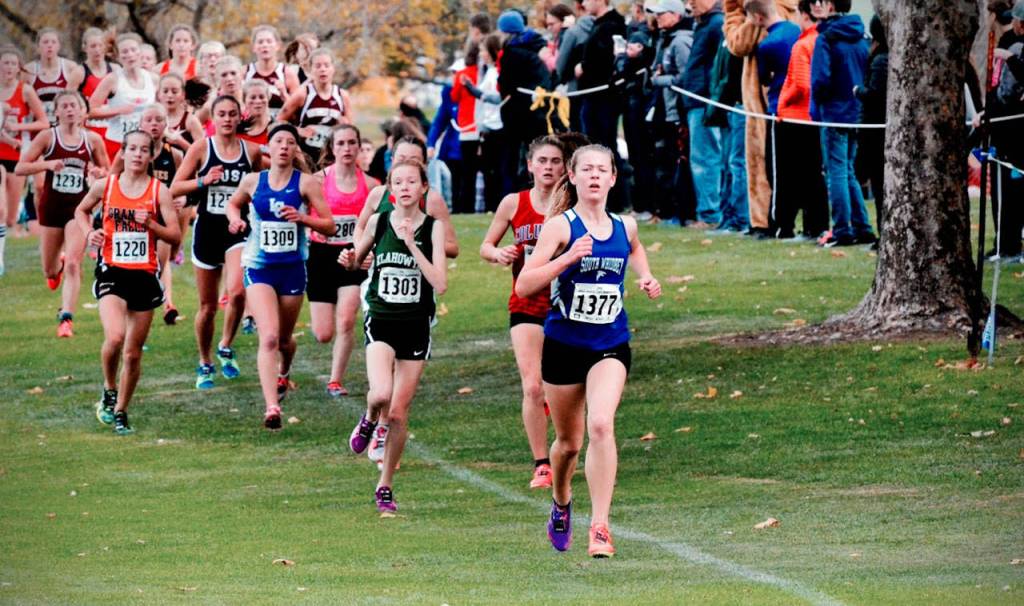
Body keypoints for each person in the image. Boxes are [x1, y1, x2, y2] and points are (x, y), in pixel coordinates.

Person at [515, 144, 661, 558]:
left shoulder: (625, 225)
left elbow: (633, 248)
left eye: (603, 170)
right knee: (569, 444)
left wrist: (646, 277)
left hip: (610, 343)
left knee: (600, 425)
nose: (596, 176)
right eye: (588, 170)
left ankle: (600, 526)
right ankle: (561, 502)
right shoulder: (560, 228)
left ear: (614, 178)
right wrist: (566, 260)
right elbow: (525, 285)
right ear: (574, 177)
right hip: (563, 345)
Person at [341, 160, 448, 516]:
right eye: (397, 182)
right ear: (390, 189)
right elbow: (357, 261)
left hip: (415, 325)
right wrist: (350, 259)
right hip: (381, 319)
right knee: (382, 394)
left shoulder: (432, 229)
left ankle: (384, 485)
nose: (404, 187)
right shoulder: (379, 221)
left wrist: (411, 245)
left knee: (400, 414)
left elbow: (440, 283)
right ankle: (370, 416)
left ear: (423, 189)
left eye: (411, 181)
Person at [225, 123, 334, 428]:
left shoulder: (307, 184)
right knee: (269, 336)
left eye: (290, 142)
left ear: (296, 149)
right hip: (259, 267)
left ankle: (284, 370)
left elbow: (330, 225)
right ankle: (272, 407)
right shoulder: (252, 181)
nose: (284, 146)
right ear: (268, 148)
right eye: (278, 141)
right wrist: (235, 220)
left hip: (292, 270)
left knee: (284, 340)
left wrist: (303, 218)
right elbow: (232, 205)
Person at [75, 129, 181, 434]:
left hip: (145, 275)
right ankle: (109, 388)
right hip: (112, 270)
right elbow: (81, 211)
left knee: (133, 352)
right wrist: (88, 233)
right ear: (123, 152)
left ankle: (121, 409)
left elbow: (173, 235)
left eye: (143, 150)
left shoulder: (158, 191)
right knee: (116, 337)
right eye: (131, 149)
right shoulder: (105, 186)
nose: (137, 154)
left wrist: (150, 224)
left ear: (150, 155)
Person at [479, 136, 565, 489]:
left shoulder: (572, 206)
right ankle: (542, 464)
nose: (548, 167)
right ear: (530, 165)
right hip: (526, 304)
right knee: (532, 386)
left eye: (555, 161)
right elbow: (486, 245)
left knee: (561, 389)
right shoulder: (514, 203)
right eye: (542, 160)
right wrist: (498, 255)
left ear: (565, 168)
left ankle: (567, 450)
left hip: (565, 306)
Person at [170, 95, 263, 389]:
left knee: (237, 293)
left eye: (231, 114)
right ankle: (205, 361)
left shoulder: (251, 152)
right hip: (207, 229)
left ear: (239, 118)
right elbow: (175, 187)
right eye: (220, 114)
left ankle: (226, 344)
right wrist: (202, 181)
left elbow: (260, 187)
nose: (226, 119)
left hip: (237, 229)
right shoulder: (201, 148)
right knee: (207, 307)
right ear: (213, 119)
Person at [15, 91, 110, 337]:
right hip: (51, 208)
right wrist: (47, 165)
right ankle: (56, 266)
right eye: (64, 106)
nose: (69, 110)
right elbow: (20, 167)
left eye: (74, 106)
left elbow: (109, 171)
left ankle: (66, 318)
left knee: (74, 264)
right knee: (49, 270)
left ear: (82, 111)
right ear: (56, 112)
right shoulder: (48, 137)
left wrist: (99, 173)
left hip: (78, 209)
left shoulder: (93, 140)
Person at [308, 125, 380, 397]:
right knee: (323, 333)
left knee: (347, 318)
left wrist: (369, 251)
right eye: (341, 143)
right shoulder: (316, 181)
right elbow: (301, 212)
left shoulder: (371, 185)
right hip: (321, 256)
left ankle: (335, 380)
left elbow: (377, 223)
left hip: (353, 256)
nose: (347, 148)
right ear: (332, 148)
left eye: (352, 143)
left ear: (359, 147)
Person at [810, 0, 875, 247]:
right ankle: (862, 226)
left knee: (836, 171)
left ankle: (842, 229)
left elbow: (820, 79)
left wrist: (820, 101)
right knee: (848, 170)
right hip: (855, 109)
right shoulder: (860, 36)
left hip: (835, 111)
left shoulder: (826, 38)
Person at [744, 0, 800, 239]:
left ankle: (779, 224)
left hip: (779, 110)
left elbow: (765, 79)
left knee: (775, 170)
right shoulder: (796, 31)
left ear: (757, 18)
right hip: (802, 111)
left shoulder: (767, 45)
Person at [774, 0, 830, 241]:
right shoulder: (822, 41)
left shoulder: (803, 45)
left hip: (794, 117)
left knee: (788, 176)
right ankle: (815, 225)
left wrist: (783, 101)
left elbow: (802, 84)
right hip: (814, 118)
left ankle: (785, 226)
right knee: (814, 174)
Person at [1, 46, 49, 272]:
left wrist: (17, 127)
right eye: (4, 63)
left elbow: (43, 123)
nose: (8, 67)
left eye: (12, 63)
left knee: (9, 218)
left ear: (18, 68)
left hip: (15, 154)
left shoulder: (25, 91)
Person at [645, 0, 694, 225]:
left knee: (679, 160)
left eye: (662, 14)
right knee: (664, 159)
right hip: (664, 108)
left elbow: (686, 77)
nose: (658, 18)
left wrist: (660, 79)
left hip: (678, 110)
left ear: (675, 15)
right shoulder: (664, 39)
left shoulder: (681, 40)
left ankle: (682, 211)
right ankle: (668, 209)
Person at [496, 10, 553, 189]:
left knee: (511, 157)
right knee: (538, 153)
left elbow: (505, 84)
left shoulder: (510, 53)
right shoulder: (537, 48)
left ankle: (512, 193)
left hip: (516, 111)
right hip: (539, 108)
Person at [278, 48, 353, 168]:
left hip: (331, 159)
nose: (322, 69)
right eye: (318, 66)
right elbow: (279, 120)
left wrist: (344, 125)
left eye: (326, 65)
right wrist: (298, 130)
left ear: (333, 68)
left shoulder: (342, 95)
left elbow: (351, 131)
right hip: (304, 156)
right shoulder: (302, 94)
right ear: (311, 70)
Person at [89, 33, 160, 159]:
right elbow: (90, 111)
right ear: (118, 57)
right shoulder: (112, 80)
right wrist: (118, 110)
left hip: (144, 145)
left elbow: (162, 110)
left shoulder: (153, 79)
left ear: (140, 52)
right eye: (125, 52)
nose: (130, 55)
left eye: (133, 50)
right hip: (117, 143)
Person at [854, 14, 888, 242]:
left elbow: (876, 96)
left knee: (879, 186)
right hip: (874, 129)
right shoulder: (879, 58)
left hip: (875, 132)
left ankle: (884, 234)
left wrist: (858, 91)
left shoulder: (880, 61)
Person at [25, 29, 84, 126]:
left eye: (53, 42)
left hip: (63, 126)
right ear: (38, 46)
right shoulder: (28, 70)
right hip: (38, 126)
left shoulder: (71, 67)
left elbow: (79, 99)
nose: (49, 45)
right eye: (45, 42)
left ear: (59, 46)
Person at [79, 28, 119, 161]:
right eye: (93, 46)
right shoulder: (79, 72)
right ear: (85, 48)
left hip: (112, 129)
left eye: (100, 45)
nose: (97, 50)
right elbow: (67, 101)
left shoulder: (115, 69)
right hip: (89, 128)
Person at [556, 0, 597, 131]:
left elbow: (561, 62)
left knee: (577, 129)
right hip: (598, 89)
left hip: (576, 87)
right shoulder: (601, 28)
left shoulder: (573, 32)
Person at [245, 26, 301, 121]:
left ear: (278, 46)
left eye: (269, 41)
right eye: (260, 42)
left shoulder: (287, 73)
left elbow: (297, 113)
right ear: (253, 47)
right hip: (251, 127)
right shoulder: (245, 72)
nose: (265, 45)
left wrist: (284, 95)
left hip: (278, 129)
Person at [450, 43, 481, 215]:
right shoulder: (483, 74)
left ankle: (466, 206)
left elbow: (454, 96)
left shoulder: (463, 74)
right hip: (482, 125)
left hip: (468, 127)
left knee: (467, 172)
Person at [158, 73, 204, 154]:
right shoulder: (153, 119)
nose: (169, 95)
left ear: (183, 95)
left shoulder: (191, 121)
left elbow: (203, 154)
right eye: (165, 91)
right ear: (159, 94)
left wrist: (181, 142)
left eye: (174, 92)